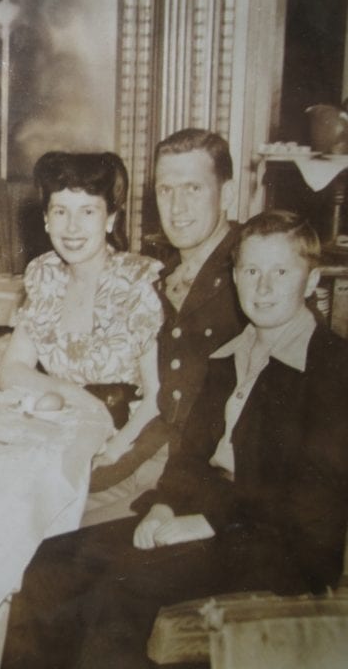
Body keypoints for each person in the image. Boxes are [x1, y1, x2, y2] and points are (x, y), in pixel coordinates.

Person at [1, 210, 348, 669]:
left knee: (117, 593)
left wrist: (209, 521)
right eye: (250, 271)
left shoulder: (332, 368)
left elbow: (312, 502)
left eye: (280, 272)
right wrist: (166, 505)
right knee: (48, 560)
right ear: (235, 277)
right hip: (211, 515)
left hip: (281, 545)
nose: (262, 287)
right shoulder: (230, 354)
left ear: (311, 281)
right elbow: (189, 457)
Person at [83, 129, 247, 525]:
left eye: (193, 188)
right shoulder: (161, 272)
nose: (177, 207)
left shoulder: (251, 267)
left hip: (194, 478)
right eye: (166, 190)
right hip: (141, 454)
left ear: (225, 194)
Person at [0, 151, 163, 509]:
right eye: (60, 211)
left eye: (87, 211)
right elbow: (10, 372)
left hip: (126, 453)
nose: (72, 228)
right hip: (62, 442)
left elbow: (157, 400)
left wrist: (112, 452)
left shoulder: (135, 282)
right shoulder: (45, 276)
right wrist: (77, 396)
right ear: (45, 220)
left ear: (110, 219)